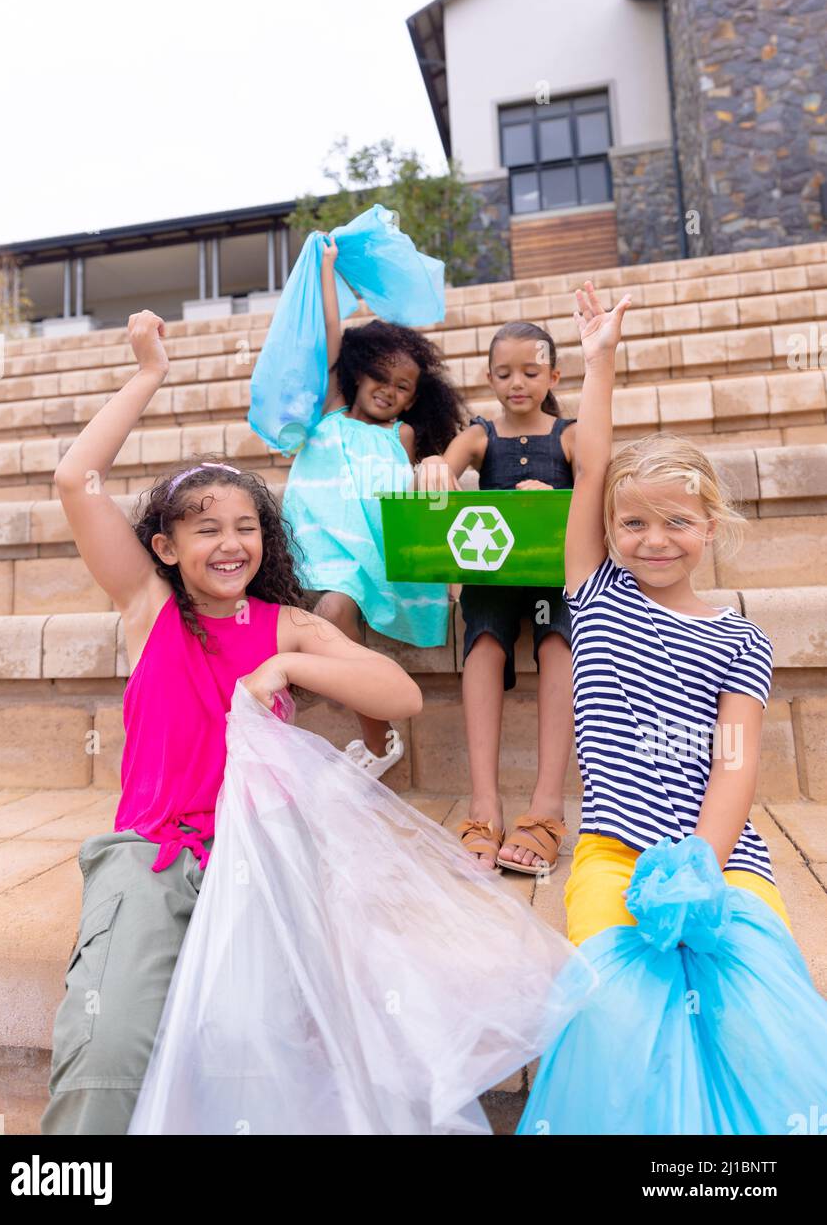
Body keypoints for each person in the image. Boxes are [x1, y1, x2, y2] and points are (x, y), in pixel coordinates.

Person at [39, 308, 425, 1135]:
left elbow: (400, 695)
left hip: (261, 853)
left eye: (245, 526)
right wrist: (148, 376)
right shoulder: (150, 610)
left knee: (271, 1052)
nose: (229, 542)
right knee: (107, 1050)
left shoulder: (283, 624)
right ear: (166, 548)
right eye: (205, 527)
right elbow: (77, 480)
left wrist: (288, 667)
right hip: (151, 854)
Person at [516, 280, 827, 1135]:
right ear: (610, 532)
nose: (654, 539)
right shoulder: (595, 592)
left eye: (677, 522)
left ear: (711, 527)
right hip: (614, 853)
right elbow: (591, 463)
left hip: (721, 855)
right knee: (616, 1017)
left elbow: (736, 762)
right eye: (634, 524)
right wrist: (601, 360)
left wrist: (702, 862)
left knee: (760, 1008)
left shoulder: (740, 638)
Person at [281, 232, 466, 779]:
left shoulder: (403, 436)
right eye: (379, 377)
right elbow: (329, 340)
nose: (388, 390)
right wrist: (326, 272)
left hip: (362, 559)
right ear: (356, 374)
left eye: (403, 385)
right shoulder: (330, 412)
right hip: (308, 544)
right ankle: (281, 730)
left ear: (416, 397)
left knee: (334, 611)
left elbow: (417, 493)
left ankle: (378, 736)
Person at [418, 321, 576, 877]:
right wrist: (437, 466)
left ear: (553, 376)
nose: (517, 382)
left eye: (531, 372)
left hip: (556, 575)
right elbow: (445, 466)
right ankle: (484, 803)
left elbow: (601, 487)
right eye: (504, 373)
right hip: (491, 573)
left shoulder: (569, 435)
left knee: (560, 646)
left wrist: (557, 493)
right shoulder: (481, 435)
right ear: (489, 377)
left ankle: (548, 803)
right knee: (483, 643)